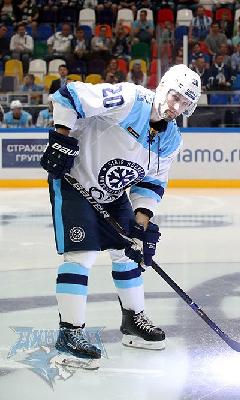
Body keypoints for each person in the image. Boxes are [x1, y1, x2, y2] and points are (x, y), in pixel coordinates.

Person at [39, 64, 202, 369]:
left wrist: (140, 227)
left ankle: (132, 321)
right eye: (174, 96)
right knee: (82, 255)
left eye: (184, 103)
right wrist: (61, 138)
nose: (175, 106)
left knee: (128, 253)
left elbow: (152, 182)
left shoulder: (171, 139)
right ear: (163, 86)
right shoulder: (130, 99)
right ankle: (69, 334)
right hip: (75, 182)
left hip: (114, 195)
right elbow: (69, 94)